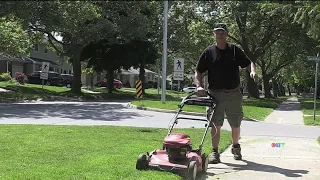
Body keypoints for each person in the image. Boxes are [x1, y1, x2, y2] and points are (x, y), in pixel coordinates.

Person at [194, 23, 257, 164]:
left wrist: (252, 71)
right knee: (215, 124)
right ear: (214, 34)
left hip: (234, 93)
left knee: (235, 123)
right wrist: (199, 86)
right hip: (215, 94)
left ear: (227, 34)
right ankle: (215, 152)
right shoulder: (208, 52)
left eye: (222, 32)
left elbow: (248, 63)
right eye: (217, 32)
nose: (220, 34)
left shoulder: (234, 50)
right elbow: (198, 71)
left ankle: (235, 147)